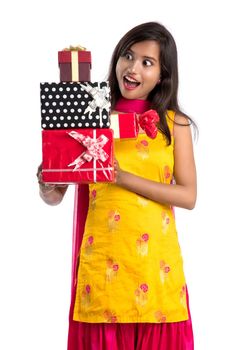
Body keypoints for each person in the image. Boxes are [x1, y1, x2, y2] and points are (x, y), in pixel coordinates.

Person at [37, 21, 197, 350]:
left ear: (163, 74)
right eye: (128, 55)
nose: (132, 67)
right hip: (103, 273)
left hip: (155, 272)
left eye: (146, 62)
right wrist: (46, 181)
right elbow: (56, 195)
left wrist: (121, 177)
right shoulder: (91, 118)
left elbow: (188, 195)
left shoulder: (173, 123)